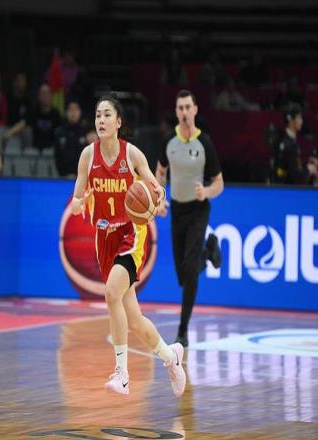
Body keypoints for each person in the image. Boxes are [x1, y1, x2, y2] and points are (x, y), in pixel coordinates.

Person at [71, 94, 186, 397]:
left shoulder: (131, 154)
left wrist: (158, 198)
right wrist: (78, 204)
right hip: (104, 239)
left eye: (107, 115)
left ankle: (122, 374)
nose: (101, 120)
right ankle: (171, 356)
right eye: (98, 115)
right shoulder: (87, 156)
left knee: (111, 293)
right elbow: (77, 197)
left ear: (119, 122)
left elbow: (155, 187)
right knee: (134, 320)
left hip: (130, 235)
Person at [155, 89, 223, 348]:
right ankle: (209, 251)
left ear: (195, 110)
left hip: (198, 210)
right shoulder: (168, 141)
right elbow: (160, 172)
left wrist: (206, 192)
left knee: (190, 273)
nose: (184, 112)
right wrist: (160, 197)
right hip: (177, 210)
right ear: (176, 112)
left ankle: (182, 331)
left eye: (188, 107)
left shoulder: (205, 142)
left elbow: (219, 183)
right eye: (180, 108)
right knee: (182, 275)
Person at [273, 102, 318, 184]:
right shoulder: (289, 144)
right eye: (299, 118)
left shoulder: (283, 139)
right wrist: (309, 169)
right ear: (291, 120)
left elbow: (292, 165)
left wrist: (306, 164)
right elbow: (295, 178)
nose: (301, 121)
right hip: (284, 189)